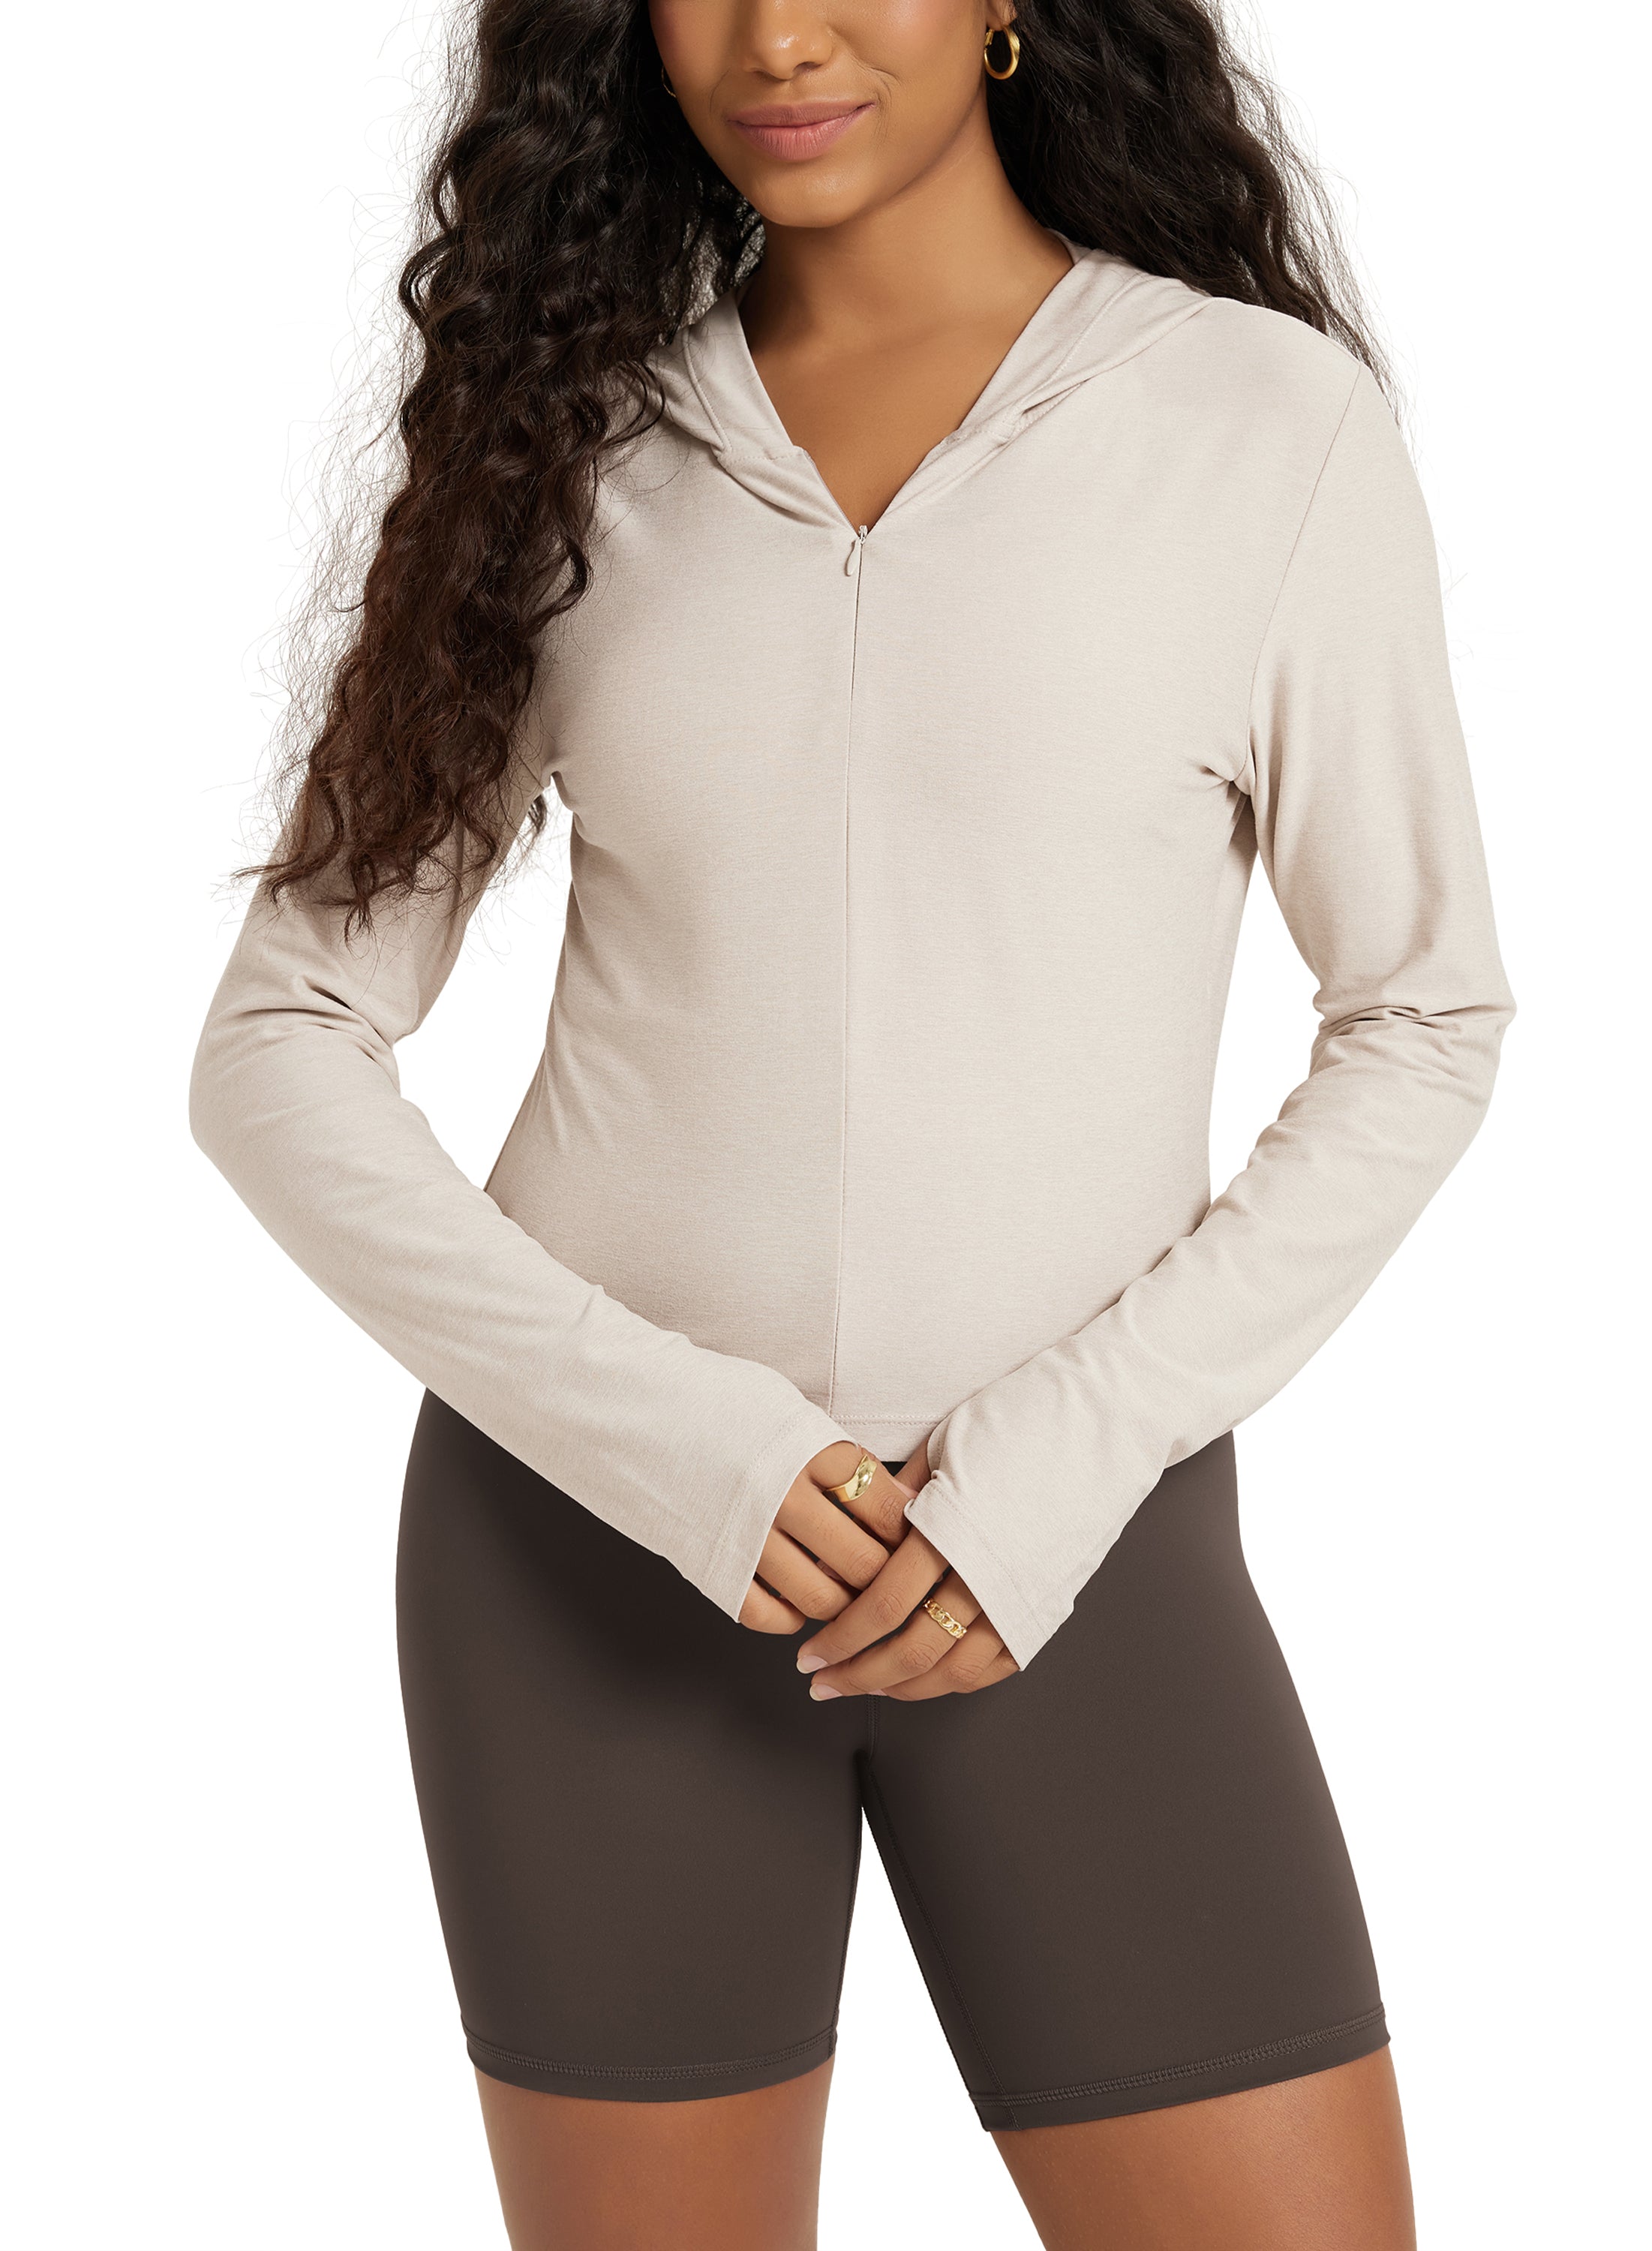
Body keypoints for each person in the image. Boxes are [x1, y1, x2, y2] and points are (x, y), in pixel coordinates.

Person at [188, 0, 1514, 2240]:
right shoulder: (569, 436)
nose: (774, 36)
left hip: (1075, 1557)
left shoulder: (1255, 424)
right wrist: (680, 1451)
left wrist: (1058, 1464)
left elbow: (1421, 1013)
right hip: (588, 1570)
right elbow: (280, 1038)